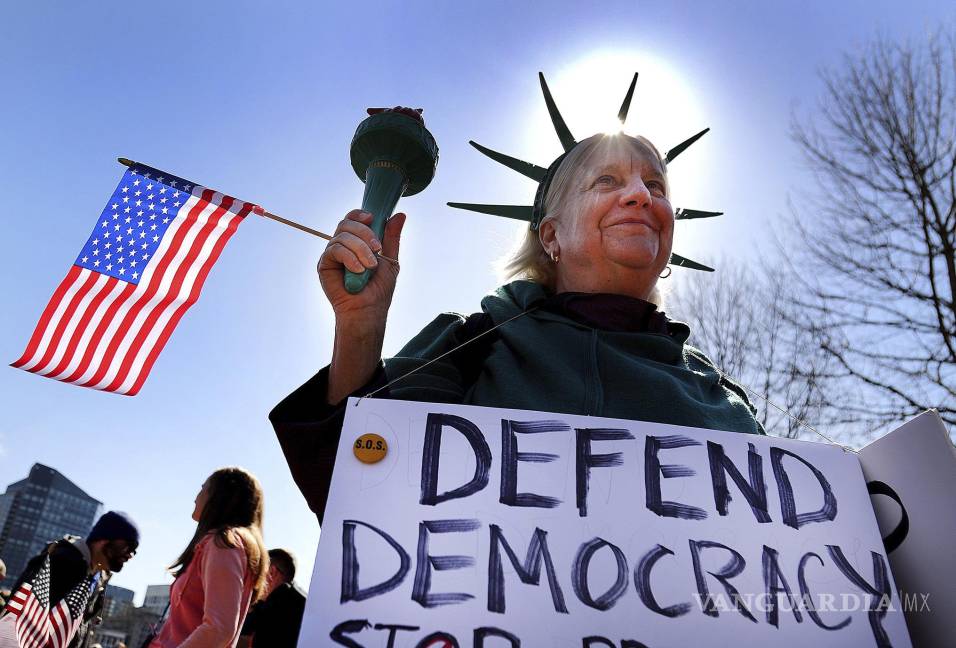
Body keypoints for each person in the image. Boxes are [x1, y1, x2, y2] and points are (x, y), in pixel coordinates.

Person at [270, 82, 766, 524]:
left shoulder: (715, 389)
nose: (641, 196)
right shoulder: (473, 342)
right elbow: (357, 480)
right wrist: (359, 326)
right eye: (607, 181)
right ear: (551, 235)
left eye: (655, 185)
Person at [149, 468, 268, 648]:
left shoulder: (224, 544)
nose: (195, 497)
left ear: (219, 496)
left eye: (203, 489)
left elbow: (219, 629)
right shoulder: (226, 544)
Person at [4, 511, 139, 648]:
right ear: (105, 538)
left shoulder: (98, 578)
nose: (130, 555)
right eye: (129, 545)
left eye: (135, 550)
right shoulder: (61, 562)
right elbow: (20, 619)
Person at [237, 549, 306, 648]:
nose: (253, 578)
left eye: (257, 570)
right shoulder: (296, 601)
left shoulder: (280, 602)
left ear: (271, 572)